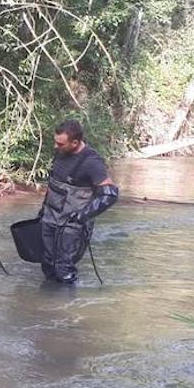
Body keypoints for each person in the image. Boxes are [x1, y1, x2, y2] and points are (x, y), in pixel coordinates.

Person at [39, 119, 119, 283]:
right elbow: (53, 183)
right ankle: (47, 304)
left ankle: (67, 305)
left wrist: (82, 216)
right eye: (55, 142)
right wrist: (42, 211)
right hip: (49, 216)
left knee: (63, 267)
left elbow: (110, 194)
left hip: (72, 224)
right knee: (47, 262)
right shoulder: (61, 152)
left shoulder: (92, 162)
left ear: (75, 142)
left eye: (60, 144)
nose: (56, 147)